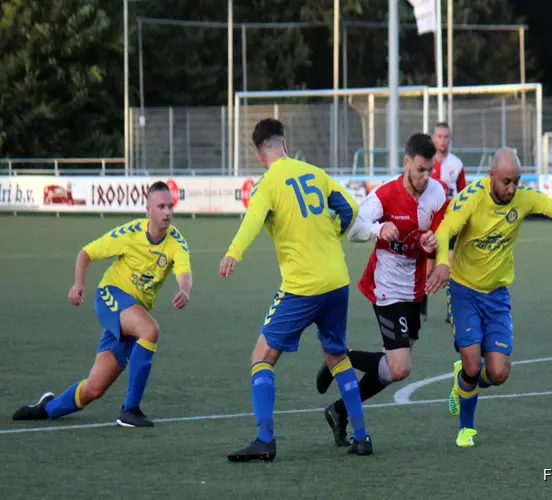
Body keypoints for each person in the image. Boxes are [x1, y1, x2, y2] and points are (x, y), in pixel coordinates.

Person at [425, 148, 552, 448]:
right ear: (491, 177)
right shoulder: (472, 197)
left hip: (497, 295)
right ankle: (466, 428)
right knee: (474, 365)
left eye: (516, 181)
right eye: (506, 182)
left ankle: (463, 381)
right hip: (464, 291)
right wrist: (442, 263)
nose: (512, 188)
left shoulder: (522, 198)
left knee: (498, 373)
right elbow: (445, 228)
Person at [220, 118, 372, 462]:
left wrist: (233, 253)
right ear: (284, 145)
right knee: (336, 355)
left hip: (303, 287)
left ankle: (265, 440)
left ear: (260, 156)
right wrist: (333, 233)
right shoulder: (315, 172)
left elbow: (251, 223)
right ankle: (361, 436)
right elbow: (349, 209)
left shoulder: (267, 184)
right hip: (337, 280)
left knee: (261, 356)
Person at [12, 182, 192, 428]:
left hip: (133, 315)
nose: (168, 212)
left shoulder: (176, 242)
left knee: (94, 388)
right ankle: (130, 410)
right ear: (148, 209)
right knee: (150, 330)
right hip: (110, 297)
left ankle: (48, 408)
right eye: (161, 206)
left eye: (170, 206)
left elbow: (184, 272)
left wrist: (184, 290)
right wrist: (78, 285)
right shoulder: (129, 234)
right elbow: (85, 253)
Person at [314, 133, 446, 446]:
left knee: (391, 370)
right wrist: (377, 229)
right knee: (400, 367)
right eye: (420, 170)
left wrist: (437, 244)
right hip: (387, 289)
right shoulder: (385, 196)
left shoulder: (437, 193)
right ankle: (339, 359)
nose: (426, 177)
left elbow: (445, 230)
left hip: (415, 291)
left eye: (430, 170)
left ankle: (340, 408)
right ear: (406, 163)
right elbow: (353, 229)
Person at [425, 122, 467, 323]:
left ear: (450, 139)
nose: (443, 140)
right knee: (427, 266)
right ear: (433, 138)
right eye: (439, 136)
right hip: (428, 221)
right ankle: (420, 308)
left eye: (446, 137)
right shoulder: (425, 162)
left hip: (450, 222)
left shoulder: (456, 165)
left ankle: (452, 309)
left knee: (450, 266)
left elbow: (463, 195)